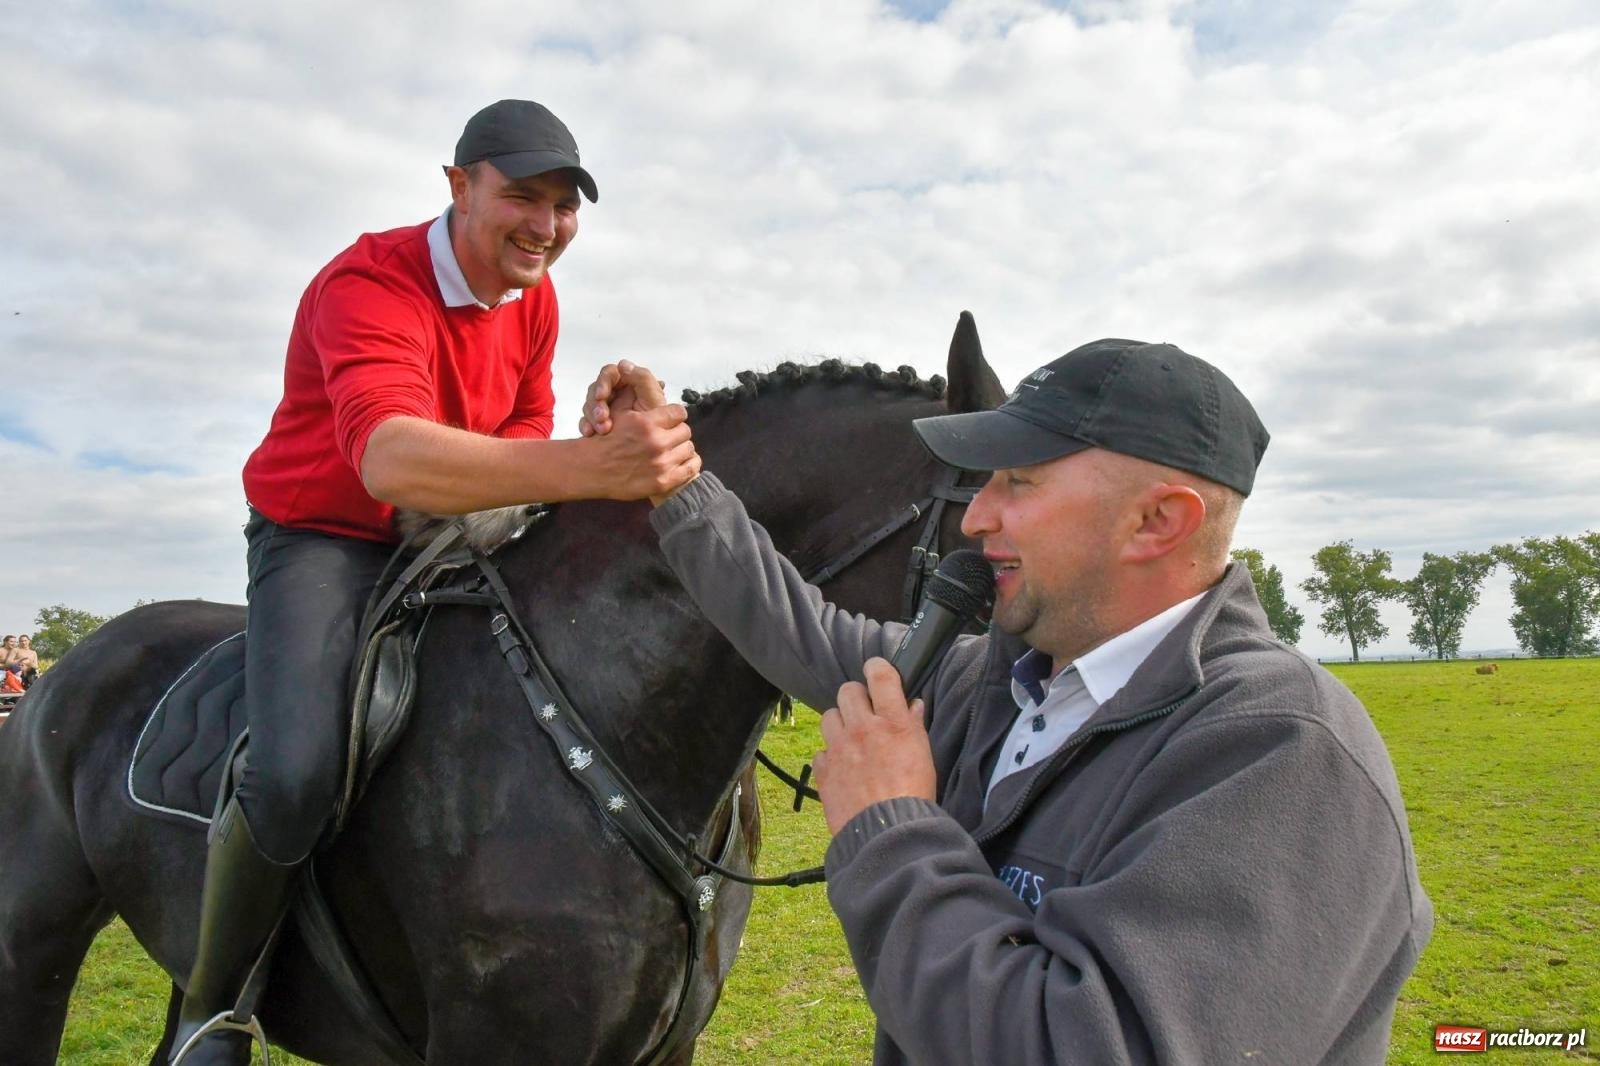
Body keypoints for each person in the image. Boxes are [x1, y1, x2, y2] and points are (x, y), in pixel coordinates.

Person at [595, 341, 1432, 1063]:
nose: (976, 518)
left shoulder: (1281, 755)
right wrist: (677, 479)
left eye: (1018, 483)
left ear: (1157, 523)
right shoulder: (989, 678)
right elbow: (797, 628)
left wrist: (890, 826)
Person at [170, 100, 701, 1061]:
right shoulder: (366, 280)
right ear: (458, 188)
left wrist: (577, 447)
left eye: (564, 208)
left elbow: (507, 445)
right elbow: (391, 460)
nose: (546, 226)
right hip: (325, 536)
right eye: (523, 198)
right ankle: (213, 1007)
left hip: (453, 530)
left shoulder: (532, 298)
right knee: (293, 773)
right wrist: (596, 470)